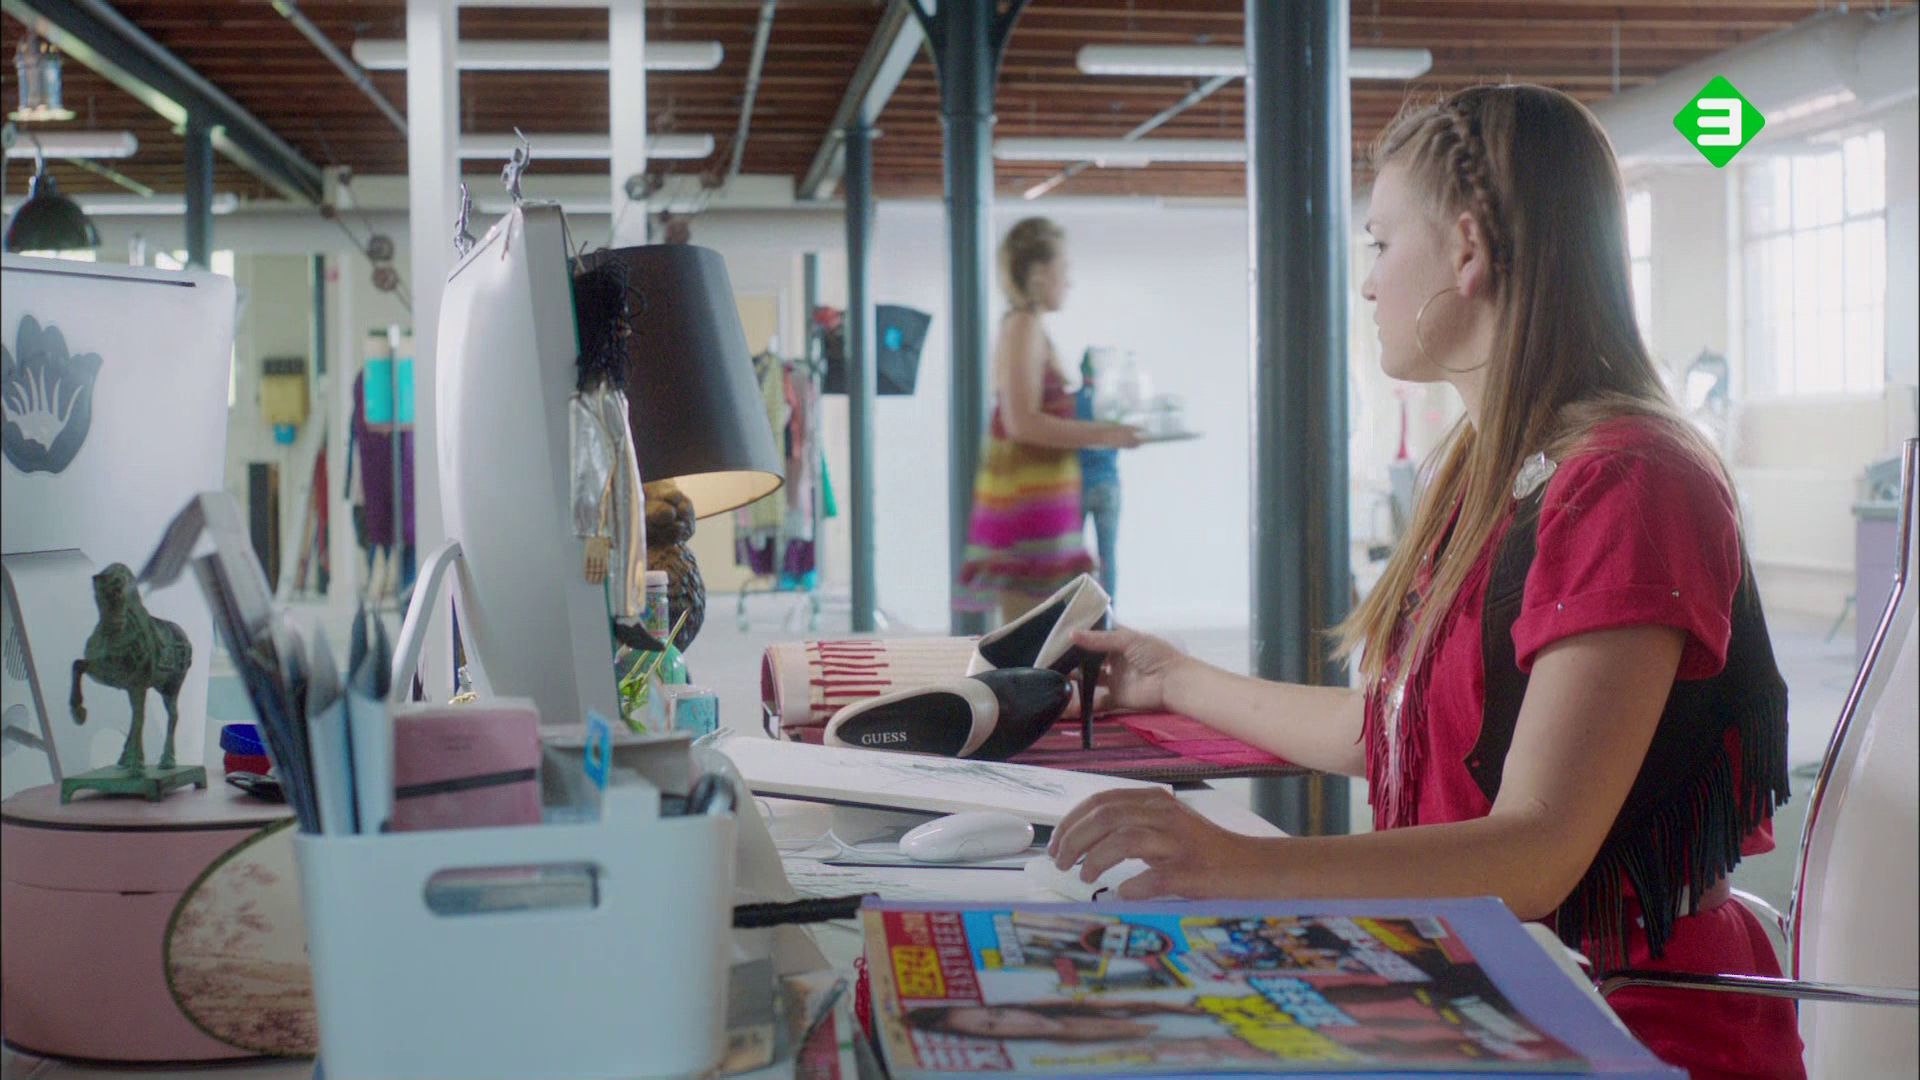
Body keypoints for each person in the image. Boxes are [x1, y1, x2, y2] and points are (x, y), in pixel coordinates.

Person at [1047, 84, 1802, 1080]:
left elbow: (1535, 853)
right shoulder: (1493, 469)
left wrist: (1244, 867)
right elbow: (1402, 735)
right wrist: (1173, 679)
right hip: (1491, 988)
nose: (1368, 285)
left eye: (1380, 243)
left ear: (1466, 249)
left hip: (1620, 1023)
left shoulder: (1631, 483)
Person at [956, 218, 1142, 623]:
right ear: (1039, 272)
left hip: (1046, 507)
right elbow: (1022, 422)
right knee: (1032, 639)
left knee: (1049, 636)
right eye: (1064, 267)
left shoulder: (1032, 327)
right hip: (1027, 514)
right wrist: (1106, 434)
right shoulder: (1023, 326)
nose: (1069, 281)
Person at [1075, 348, 1123, 601]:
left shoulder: (1072, 403)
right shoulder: (1111, 404)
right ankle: (1108, 611)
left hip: (1079, 485)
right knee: (1107, 555)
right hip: (1108, 484)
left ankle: (1075, 611)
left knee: (1073, 557)